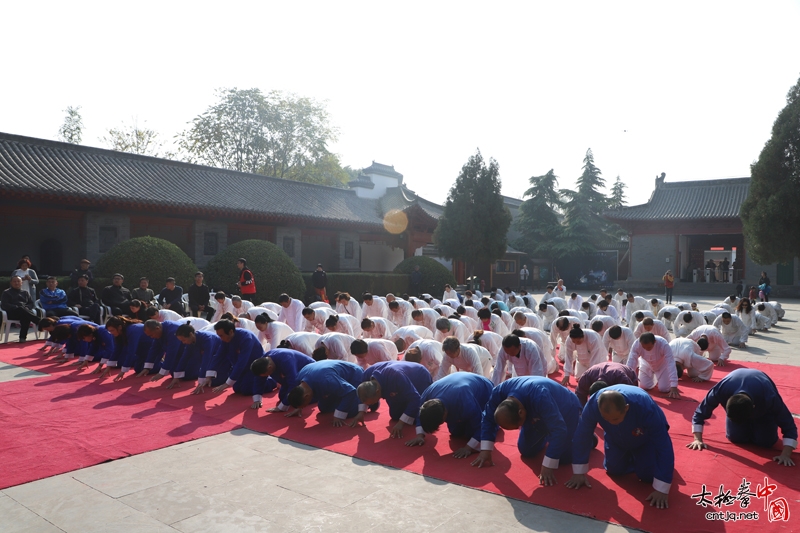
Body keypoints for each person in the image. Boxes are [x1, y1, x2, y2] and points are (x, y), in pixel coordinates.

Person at [567, 386, 674, 509]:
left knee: (647, 476)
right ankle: (632, 457)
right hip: (615, 437)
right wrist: (579, 472)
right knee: (614, 470)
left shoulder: (645, 406)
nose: (611, 422)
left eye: (615, 418)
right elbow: (582, 435)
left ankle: (644, 458)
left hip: (645, 438)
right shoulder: (593, 406)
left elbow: (663, 444)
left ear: (626, 408)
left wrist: (662, 488)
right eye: (606, 419)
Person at [472, 377, 584, 488]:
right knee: (527, 451)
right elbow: (488, 417)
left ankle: (579, 430)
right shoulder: (499, 392)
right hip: (536, 414)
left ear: (520, 412)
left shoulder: (539, 395)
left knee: (564, 458)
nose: (518, 428)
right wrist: (485, 449)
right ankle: (548, 434)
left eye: (518, 426)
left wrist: (548, 465)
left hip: (566, 409)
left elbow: (559, 429)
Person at [688, 368, 796, 467]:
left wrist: (786, 454)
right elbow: (700, 412)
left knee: (765, 442)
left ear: (754, 408)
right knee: (736, 438)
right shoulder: (722, 389)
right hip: (736, 390)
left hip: (764, 413)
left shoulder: (768, 396)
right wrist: (697, 439)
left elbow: (788, 424)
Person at [405, 372, 493, 457]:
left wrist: (468, 448)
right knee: (456, 432)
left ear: (444, 415)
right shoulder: (428, 395)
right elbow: (421, 415)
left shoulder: (465, 401)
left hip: (484, 389)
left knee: (473, 433)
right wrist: (420, 435)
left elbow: (481, 424)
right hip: (457, 386)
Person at [192, 319, 270, 409]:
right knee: (237, 388)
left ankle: (271, 381)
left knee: (246, 389)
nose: (220, 338)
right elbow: (219, 355)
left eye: (221, 335)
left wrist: (227, 383)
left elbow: (242, 361)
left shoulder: (246, 337)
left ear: (231, 332)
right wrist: (208, 376)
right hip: (240, 367)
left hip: (254, 368)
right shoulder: (225, 339)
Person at [353, 360, 433, 437]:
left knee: (422, 415)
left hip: (419, 377)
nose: (371, 405)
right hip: (399, 383)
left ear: (378, 391)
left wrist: (401, 423)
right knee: (395, 415)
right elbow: (362, 394)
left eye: (372, 402)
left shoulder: (395, 375)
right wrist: (361, 412)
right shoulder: (366, 375)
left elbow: (416, 398)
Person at [285, 359, 364, 426]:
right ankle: (341, 397)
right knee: (324, 408)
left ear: (306, 396)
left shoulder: (326, 380)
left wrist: (339, 415)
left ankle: (370, 402)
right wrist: (299, 407)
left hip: (354, 374)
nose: (304, 408)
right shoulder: (299, 378)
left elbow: (350, 391)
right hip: (331, 376)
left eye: (304, 406)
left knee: (350, 412)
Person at [251, 348, 315, 412]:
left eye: (266, 375)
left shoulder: (286, 359)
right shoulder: (264, 360)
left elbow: (293, 382)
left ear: (269, 367)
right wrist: (257, 399)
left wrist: (282, 407)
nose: (265, 377)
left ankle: (316, 395)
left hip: (309, 375)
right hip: (291, 376)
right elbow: (259, 378)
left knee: (298, 399)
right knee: (283, 396)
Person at [625, 333, 680, 398]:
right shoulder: (636, 344)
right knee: (643, 387)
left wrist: (674, 385)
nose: (646, 349)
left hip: (662, 365)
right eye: (643, 347)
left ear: (654, 342)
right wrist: (627, 378)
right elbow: (632, 361)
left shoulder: (663, 344)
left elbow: (670, 363)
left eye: (648, 347)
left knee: (664, 389)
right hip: (646, 364)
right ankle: (655, 380)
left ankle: (660, 378)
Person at [1, 276, 41, 342]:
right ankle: (39, 321)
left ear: (21, 282)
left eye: (18, 281)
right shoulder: (6, 292)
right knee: (22, 309)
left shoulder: (25, 292)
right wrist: (17, 307)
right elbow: (5, 305)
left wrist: (26, 308)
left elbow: (31, 304)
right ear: (11, 283)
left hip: (25, 312)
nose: (16, 283)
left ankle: (22, 338)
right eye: (14, 281)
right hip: (12, 313)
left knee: (25, 315)